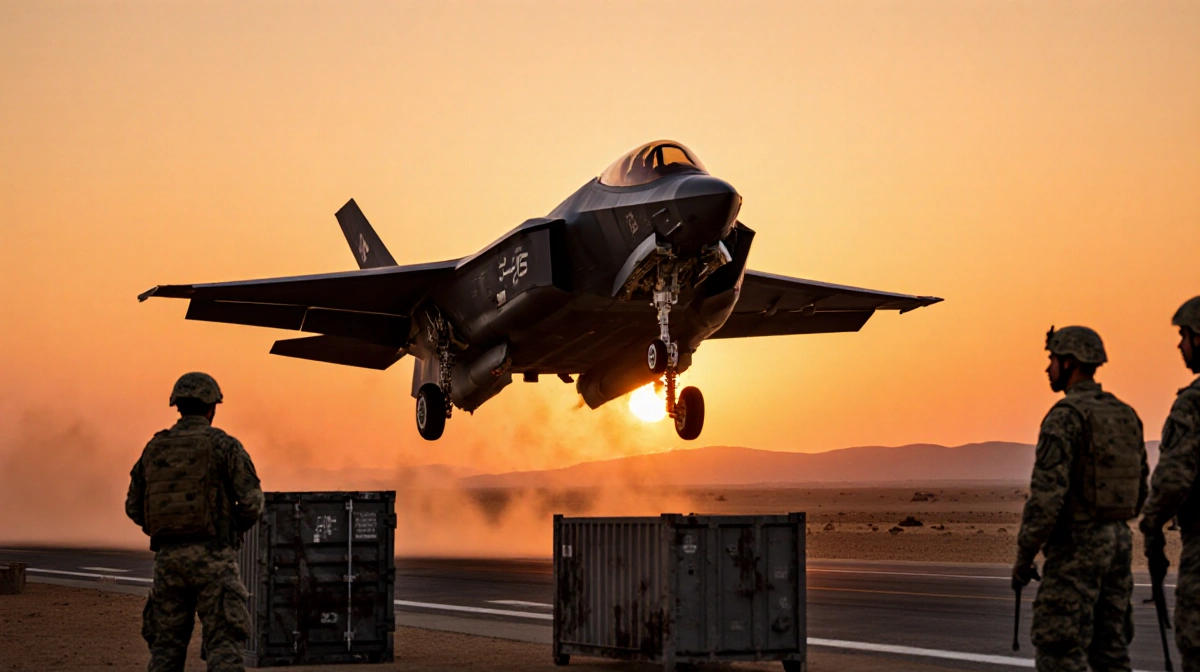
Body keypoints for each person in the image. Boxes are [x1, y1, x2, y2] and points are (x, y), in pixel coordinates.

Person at [1013, 326, 1148, 671]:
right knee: (1111, 652)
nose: (1048, 368)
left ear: (1069, 362)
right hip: (1118, 542)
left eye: (1053, 360)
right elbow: (1141, 485)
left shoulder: (1065, 417)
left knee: (1061, 651)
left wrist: (1025, 556)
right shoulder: (1125, 414)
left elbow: (1046, 496)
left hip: (1077, 545)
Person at [126, 372, 264, 672]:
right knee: (224, 647)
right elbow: (252, 502)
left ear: (178, 406)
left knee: (165, 650)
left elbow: (133, 506)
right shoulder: (224, 446)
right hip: (214, 559)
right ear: (212, 407)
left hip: (168, 562)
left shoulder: (154, 448)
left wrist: (166, 531)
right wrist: (229, 530)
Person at [1140, 296, 1200, 669]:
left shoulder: (1193, 404)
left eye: (1185, 335)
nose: (1180, 345)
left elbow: (1173, 480)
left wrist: (1151, 524)